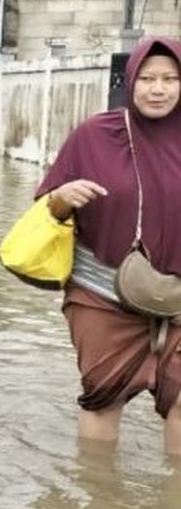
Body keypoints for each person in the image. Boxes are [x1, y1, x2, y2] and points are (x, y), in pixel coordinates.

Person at [35, 37, 181, 454]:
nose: (158, 88)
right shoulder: (95, 135)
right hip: (102, 289)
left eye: (170, 78)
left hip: (180, 295)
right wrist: (62, 198)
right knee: (104, 396)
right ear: (130, 80)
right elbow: (46, 208)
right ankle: (97, 504)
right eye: (148, 78)